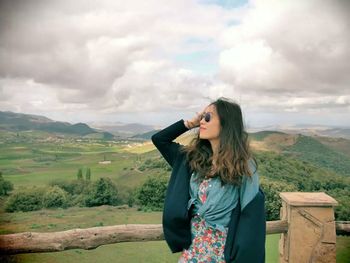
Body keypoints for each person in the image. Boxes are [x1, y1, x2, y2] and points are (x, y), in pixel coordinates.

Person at [151, 97, 266, 263]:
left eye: (208, 117)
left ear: (226, 123)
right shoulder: (191, 159)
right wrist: (190, 123)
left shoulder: (243, 166)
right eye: (202, 117)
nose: (202, 122)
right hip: (194, 250)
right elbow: (159, 139)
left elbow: (251, 216)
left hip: (223, 252)